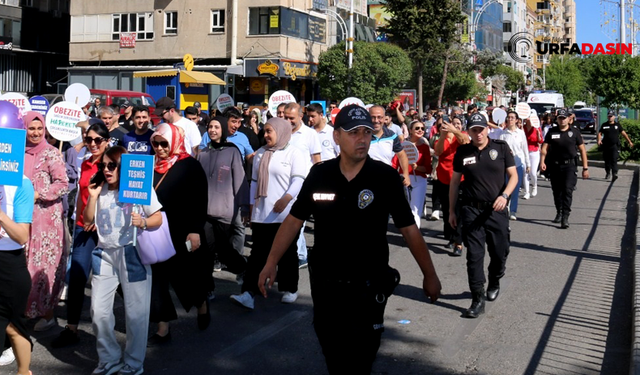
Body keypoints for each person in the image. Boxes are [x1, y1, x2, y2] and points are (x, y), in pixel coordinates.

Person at [257, 105, 441, 374]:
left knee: (361, 360)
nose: (362, 138)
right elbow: (294, 220)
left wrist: (430, 275)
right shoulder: (320, 175)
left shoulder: (385, 177)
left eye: (367, 132)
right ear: (337, 137)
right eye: (354, 132)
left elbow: (409, 230)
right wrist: (271, 262)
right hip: (327, 287)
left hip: (368, 286)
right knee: (334, 358)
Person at [84, 146, 162, 375]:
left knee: (136, 313)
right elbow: (88, 220)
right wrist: (93, 196)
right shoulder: (99, 188)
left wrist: (144, 223)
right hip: (103, 253)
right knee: (98, 311)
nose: (106, 170)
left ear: (123, 166)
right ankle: (109, 358)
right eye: (103, 165)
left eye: (112, 165)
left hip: (131, 253)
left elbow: (157, 216)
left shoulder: (138, 187)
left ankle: (134, 362)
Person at [229, 118, 306, 310]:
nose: (266, 135)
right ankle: (249, 293)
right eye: (265, 132)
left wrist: (286, 199)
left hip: (285, 214)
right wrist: (251, 207)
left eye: (269, 132)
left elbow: (298, 180)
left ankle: (290, 288)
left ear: (280, 132)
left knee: (288, 252)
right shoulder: (261, 153)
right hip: (263, 212)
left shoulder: (294, 153)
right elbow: (254, 181)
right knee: (258, 254)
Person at [448, 113, 518, 318]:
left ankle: (495, 279)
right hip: (471, 210)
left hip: (496, 209)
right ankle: (477, 298)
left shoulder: (501, 148)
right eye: (474, 130)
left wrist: (505, 195)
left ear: (487, 129)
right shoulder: (463, 152)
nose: (478, 134)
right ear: (468, 132)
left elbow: (513, 176)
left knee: (500, 251)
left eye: (481, 129)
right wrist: (452, 211)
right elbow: (454, 183)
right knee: (474, 256)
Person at [148, 123, 209, 346]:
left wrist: (195, 229)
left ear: (174, 142)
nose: (160, 148)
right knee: (157, 280)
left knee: (186, 276)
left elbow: (199, 199)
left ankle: (201, 302)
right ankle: (163, 326)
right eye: (156, 143)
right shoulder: (150, 165)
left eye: (164, 143)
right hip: (154, 230)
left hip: (182, 230)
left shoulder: (190, 165)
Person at [52, 120, 110, 348]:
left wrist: (99, 219)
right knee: (77, 276)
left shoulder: (114, 164)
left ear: (106, 141)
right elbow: (81, 195)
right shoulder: (85, 162)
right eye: (89, 140)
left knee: (111, 282)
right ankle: (72, 328)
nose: (93, 144)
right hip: (82, 226)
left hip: (105, 227)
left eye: (98, 140)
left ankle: (146, 318)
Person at [21, 111, 70, 332]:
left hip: (46, 221)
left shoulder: (51, 153)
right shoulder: (16, 152)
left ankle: (46, 313)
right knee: (21, 265)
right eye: (31, 128)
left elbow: (62, 183)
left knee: (42, 268)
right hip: (21, 218)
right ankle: (23, 313)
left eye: (40, 128)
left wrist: (39, 193)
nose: (36, 132)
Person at [197, 116, 249, 294]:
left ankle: (244, 269)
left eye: (216, 127)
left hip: (225, 209)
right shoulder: (202, 153)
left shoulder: (232, 151)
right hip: (205, 211)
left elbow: (240, 180)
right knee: (207, 251)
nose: (212, 130)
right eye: (210, 127)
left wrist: (244, 205)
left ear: (223, 130)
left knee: (225, 251)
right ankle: (207, 289)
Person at [0, 166, 35, 375]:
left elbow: (22, 236)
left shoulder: (21, 183)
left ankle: (24, 372)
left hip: (9, 267)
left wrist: (1, 216)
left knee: (14, 327)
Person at [540, 109, 590, 229]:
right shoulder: (552, 132)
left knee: (567, 190)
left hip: (569, 166)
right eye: (560, 118)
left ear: (569, 119)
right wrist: (542, 161)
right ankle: (559, 211)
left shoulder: (575, 132)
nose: (562, 120)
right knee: (557, 191)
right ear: (557, 119)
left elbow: (582, 150)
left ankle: (565, 216)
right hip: (555, 165)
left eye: (564, 118)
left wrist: (585, 168)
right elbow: (544, 148)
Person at [433, 116, 469, 256]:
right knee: (447, 210)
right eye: (444, 124)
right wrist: (443, 135)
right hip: (443, 179)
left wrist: (455, 131)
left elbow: (465, 141)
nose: (447, 126)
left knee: (457, 211)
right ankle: (451, 237)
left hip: (460, 179)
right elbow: (438, 151)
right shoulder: (439, 139)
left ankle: (458, 243)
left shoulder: (461, 137)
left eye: (457, 124)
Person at [392, 120, 432, 228]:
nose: (420, 130)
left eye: (422, 128)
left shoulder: (425, 147)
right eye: (417, 128)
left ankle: (414, 234)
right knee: (406, 209)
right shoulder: (402, 145)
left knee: (415, 209)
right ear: (410, 130)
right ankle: (409, 232)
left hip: (419, 180)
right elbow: (394, 163)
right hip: (404, 180)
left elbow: (428, 169)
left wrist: (417, 167)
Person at [498, 111, 530, 221]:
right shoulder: (503, 134)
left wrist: (528, 163)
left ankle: (513, 210)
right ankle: (504, 207)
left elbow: (525, 149)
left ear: (517, 120)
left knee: (515, 189)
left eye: (512, 118)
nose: (510, 119)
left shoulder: (520, 133)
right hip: (505, 166)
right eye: (508, 117)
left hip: (517, 165)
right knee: (505, 187)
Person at [368, 105, 410, 187]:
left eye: (379, 117)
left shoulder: (391, 135)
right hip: (366, 180)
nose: (376, 120)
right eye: (373, 117)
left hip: (386, 179)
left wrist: (406, 174)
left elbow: (402, 155)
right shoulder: (362, 136)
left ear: (384, 118)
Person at [598, 111, 633, 181]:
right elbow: (600, 133)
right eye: (609, 116)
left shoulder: (617, 125)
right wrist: (599, 140)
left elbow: (624, 134)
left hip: (614, 146)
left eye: (611, 116)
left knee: (614, 159)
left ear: (614, 117)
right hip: (606, 146)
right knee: (607, 161)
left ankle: (614, 173)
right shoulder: (604, 125)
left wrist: (629, 141)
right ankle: (608, 172)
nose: (610, 117)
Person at [523, 117, 543, 198]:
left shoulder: (537, 128)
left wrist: (538, 135)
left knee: (533, 173)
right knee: (525, 173)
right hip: (524, 152)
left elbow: (540, 141)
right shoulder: (523, 128)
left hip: (534, 152)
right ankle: (527, 192)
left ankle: (534, 186)